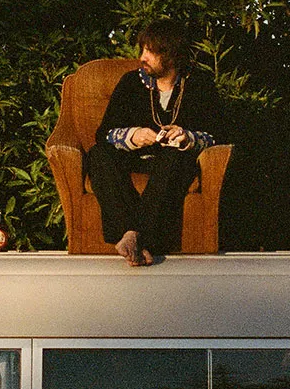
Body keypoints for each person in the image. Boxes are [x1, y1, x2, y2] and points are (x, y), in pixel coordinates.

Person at [89, 23, 227, 266]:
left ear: (172, 55)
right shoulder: (131, 82)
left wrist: (187, 137)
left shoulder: (199, 84)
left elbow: (219, 134)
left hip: (173, 163)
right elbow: (104, 134)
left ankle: (132, 235)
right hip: (134, 157)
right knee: (99, 154)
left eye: (151, 52)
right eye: (143, 50)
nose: (143, 57)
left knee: (175, 157)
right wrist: (133, 136)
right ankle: (134, 236)